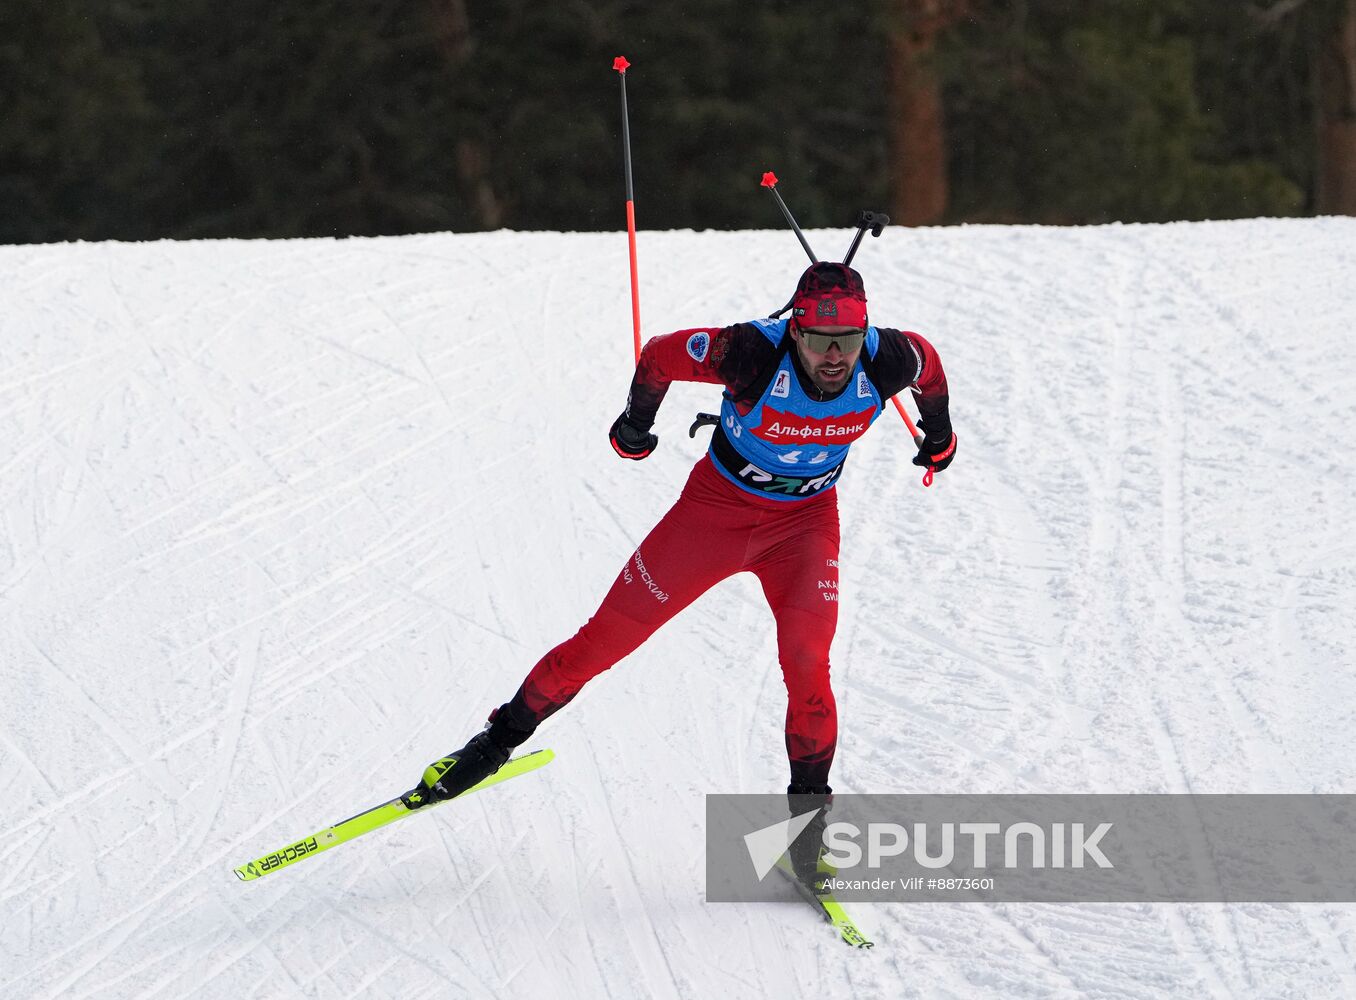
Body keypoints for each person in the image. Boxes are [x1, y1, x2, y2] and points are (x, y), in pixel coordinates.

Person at [408, 261, 955, 883]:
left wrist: (939, 436)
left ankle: (809, 831)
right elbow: (661, 354)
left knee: (808, 662)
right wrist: (635, 425)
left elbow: (930, 369)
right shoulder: (746, 351)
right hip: (714, 514)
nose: (836, 357)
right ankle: (494, 743)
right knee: (603, 642)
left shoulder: (890, 358)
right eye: (820, 340)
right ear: (794, 329)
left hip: (803, 527)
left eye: (849, 341)